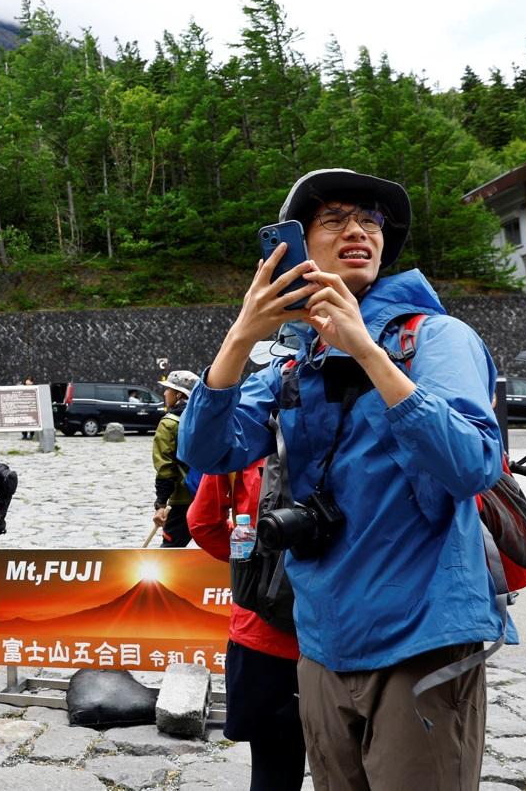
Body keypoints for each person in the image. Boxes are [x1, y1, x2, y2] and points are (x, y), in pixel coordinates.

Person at [180, 169, 506, 790]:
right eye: (333, 220)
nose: (358, 230)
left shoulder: (436, 338)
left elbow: (472, 463)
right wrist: (243, 334)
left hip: (423, 635)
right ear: (298, 246)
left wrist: (368, 353)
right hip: (323, 638)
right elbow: (209, 449)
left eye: (371, 221)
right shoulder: (294, 360)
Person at [188, 461, 305, 791]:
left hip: (263, 633)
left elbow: (203, 523)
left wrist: (256, 567)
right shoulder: (362, 428)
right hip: (351, 632)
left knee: (273, 769)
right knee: (356, 768)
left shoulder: (247, 437)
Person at [152, 370, 199, 548]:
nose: (165, 393)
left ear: (179, 394)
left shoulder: (169, 423)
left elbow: (165, 468)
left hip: (181, 498)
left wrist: (161, 504)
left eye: (168, 390)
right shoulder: (204, 419)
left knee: (170, 553)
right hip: (209, 494)